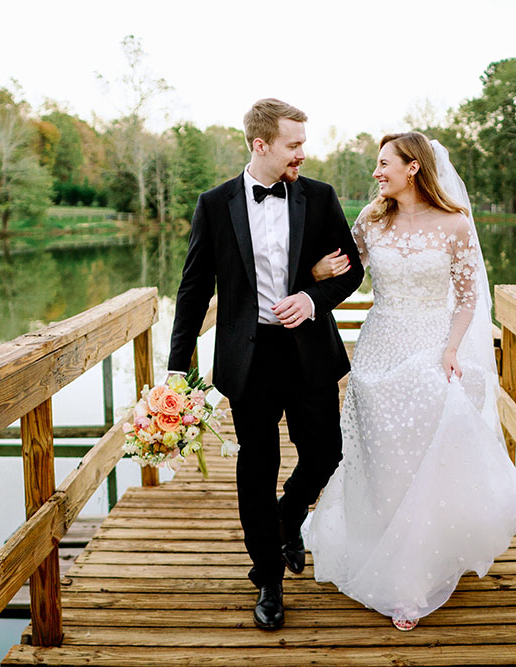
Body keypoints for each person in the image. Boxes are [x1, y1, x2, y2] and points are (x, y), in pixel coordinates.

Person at [302, 132, 516, 631]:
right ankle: (374, 544)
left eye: (384, 164)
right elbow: (345, 270)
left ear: (413, 168)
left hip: (430, 344)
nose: (377, 173)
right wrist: (315, 271)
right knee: (382, 456)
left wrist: (451, 350)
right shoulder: (370, 219)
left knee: (421, 451)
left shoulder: (455, 225)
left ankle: (411, 576)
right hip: (378, 344)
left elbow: (469, 298)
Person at [167, 98, 364, 630]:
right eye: (294, 144)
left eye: (303, 142)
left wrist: (311, 296)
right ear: (261, 145)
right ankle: (269, 580)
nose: (303, 152)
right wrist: (175, 368)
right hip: (248, 361)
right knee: (256, 470)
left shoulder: (319, 198)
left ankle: (288, 517)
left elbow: (351, 272)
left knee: (326, 452)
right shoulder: (214, 204)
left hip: (310, 354)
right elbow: (192, 290)